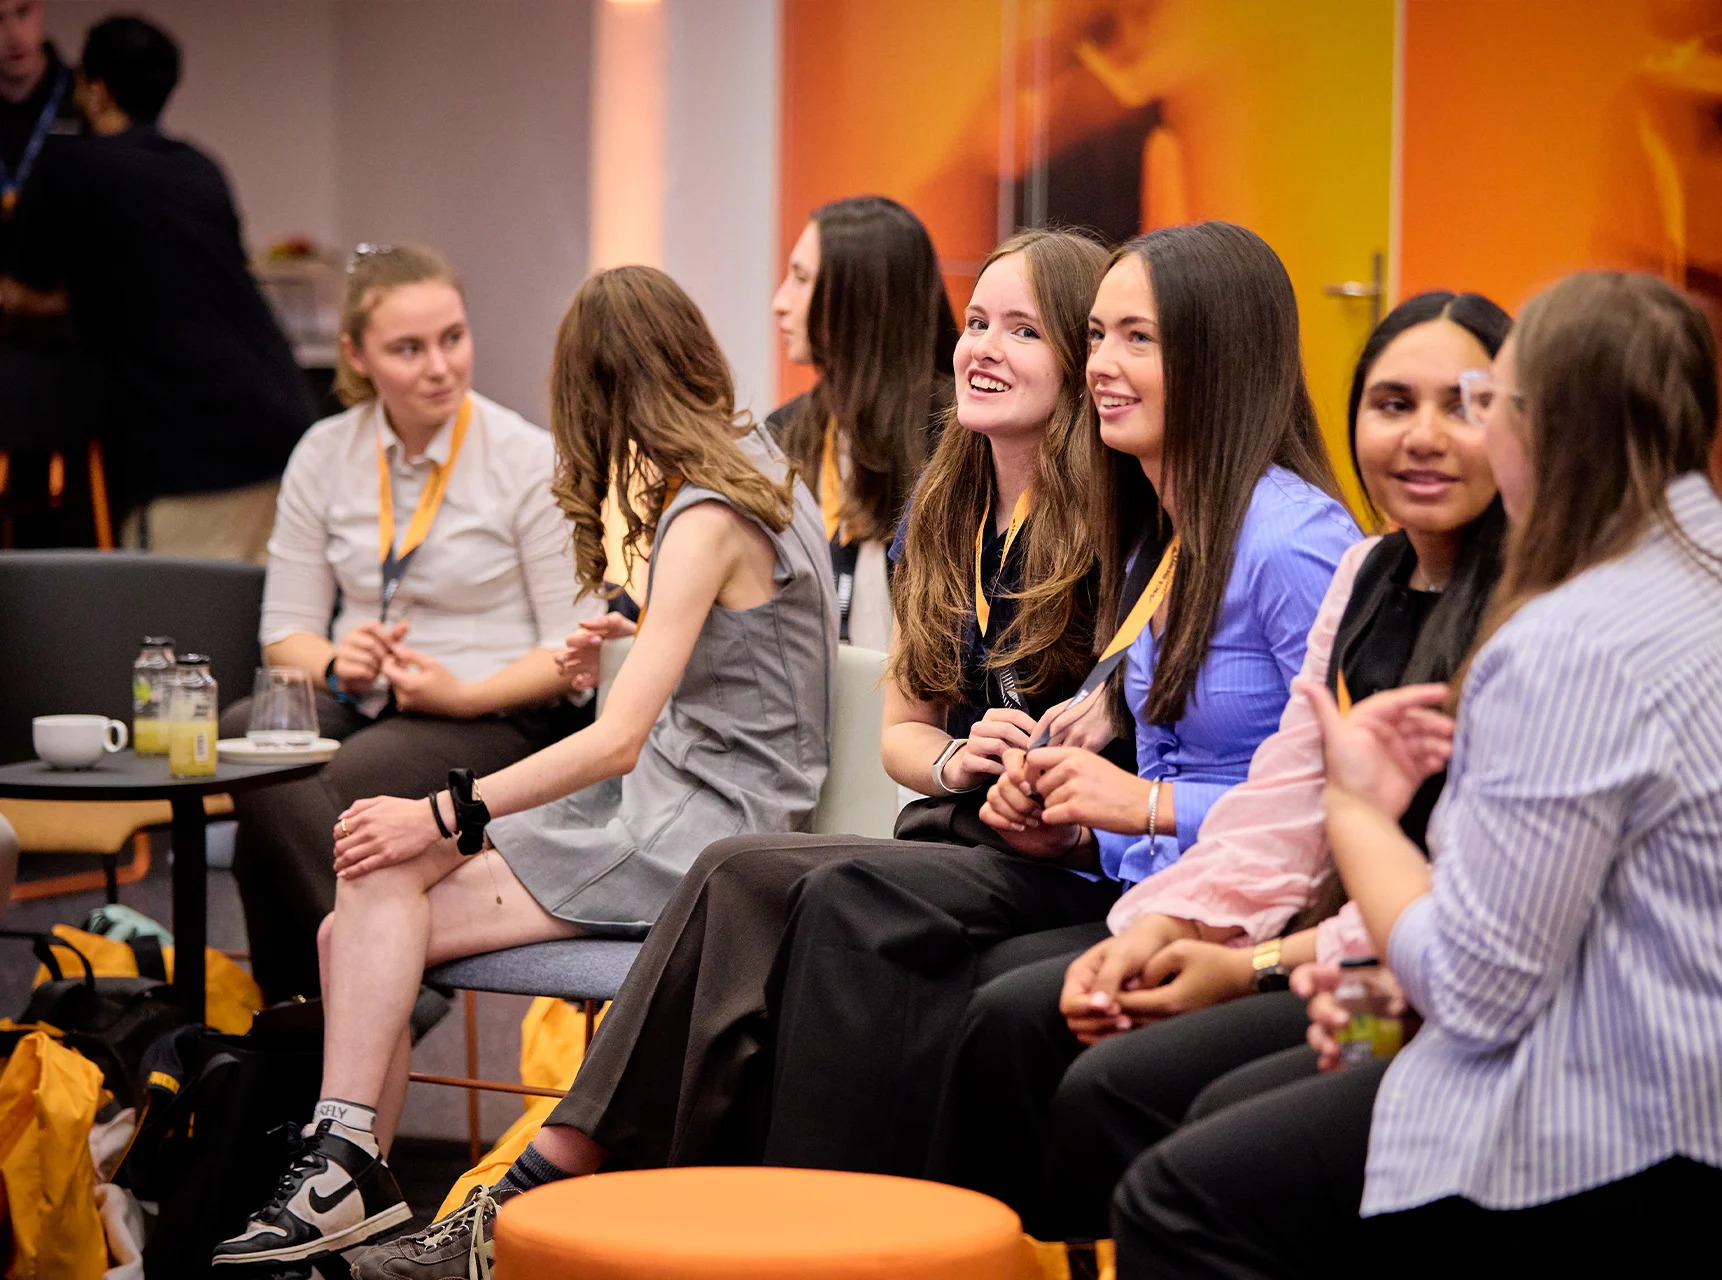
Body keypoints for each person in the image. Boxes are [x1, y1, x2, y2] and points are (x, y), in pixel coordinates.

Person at [1112, 271, 1722, 1279]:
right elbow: (1569, 928)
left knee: (1180, 1192)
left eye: (1481, 406)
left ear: (1533, 429)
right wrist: (1372, 996)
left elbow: (1478, 986)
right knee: (1235, 1104)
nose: (1448, 437)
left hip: (1684, 1143)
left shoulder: (1568, 637)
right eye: (1397, 402)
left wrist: (1357, 811)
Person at [350, 227, 1119, 1280]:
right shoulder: (943, 511)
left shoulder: (1112, 527)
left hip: (1070, 851)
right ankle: (536, 1200)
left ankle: (543, 1203)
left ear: (1082, 361)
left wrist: (1071, 767)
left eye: (1024, 330)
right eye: (977, 320)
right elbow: (905, 733)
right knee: (738, 872)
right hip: (959, 823)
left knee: (769, 881)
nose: (983, 345)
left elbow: (1135, 711)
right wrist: (958, 763)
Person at [214, 265, 837, 1270]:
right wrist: (624, 641)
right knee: (355, 911)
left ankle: (347, 1169)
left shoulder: (706, 511)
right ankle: (352, 1166)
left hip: (699, 823)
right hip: (693, 797)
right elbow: (743, 656)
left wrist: (445, 813)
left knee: (376, 879)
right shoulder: (755, 463)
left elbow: (617, 739)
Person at [753, 220, 1359, 1178]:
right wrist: (1075, 825)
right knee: (832, 913)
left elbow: (1331, 808)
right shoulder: (1171, 533)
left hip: (1261, 914)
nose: (1101, 367)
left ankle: (870, 1232)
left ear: (1219, 355)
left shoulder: (1290, 541)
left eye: (1137, 339)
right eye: (1096, 338)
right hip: (1158, 883)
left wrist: (1134, 810)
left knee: (953, 974)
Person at [924, 290, 1513, 1239]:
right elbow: (1282, 807)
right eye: (1394, 404)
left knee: (1145, 1105)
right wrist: (1166, 928)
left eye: (1467, 404)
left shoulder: (1527, 614)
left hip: (1438, 1011)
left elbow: (1478, 919)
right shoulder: (1369, 577)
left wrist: (1248, 965)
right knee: (1041, 1025)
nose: (1424, 437)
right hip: (1345, 961)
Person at [218, 244, 596, 1003]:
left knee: (312, 801)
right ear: (356, 355)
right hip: (366, 699)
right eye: (408, 349)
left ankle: (324, 1026)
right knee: (243, 733)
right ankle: (384, 993)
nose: (440, 368)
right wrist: (335, 662)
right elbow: (285, 632)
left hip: (497, 711)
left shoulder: (524, 458)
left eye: (453, 337)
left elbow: (574, 653)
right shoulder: (325, 453)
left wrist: (461, 694)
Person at [1, 15, 312, 561]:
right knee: (269, 631)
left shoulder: (72, 169)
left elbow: (21, 290)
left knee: (176, 628)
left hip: (190, 451)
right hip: (281, 422)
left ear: (95, 91)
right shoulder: (198, 167)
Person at [767, 194, 959, 648]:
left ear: (859, 299)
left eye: (801, 279)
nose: (780, 302)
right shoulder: (785, 433)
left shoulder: (960, 439)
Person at [0, 0, 92, 549]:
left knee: (73, 504)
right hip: (4, 341)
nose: (13, 32)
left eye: (24, 11)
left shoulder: (87, 97)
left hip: (75, 335)